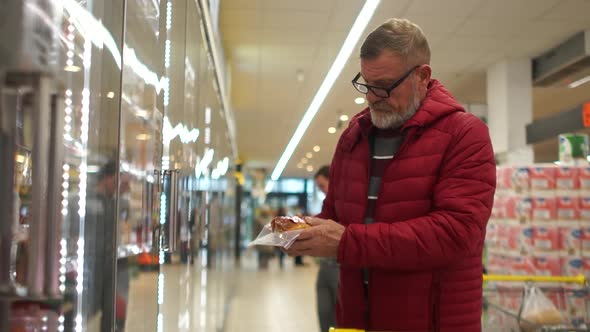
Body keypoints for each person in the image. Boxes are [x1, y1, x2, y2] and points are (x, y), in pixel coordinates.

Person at [285, 18, 496, 332]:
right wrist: (303, 231)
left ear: (423, 76)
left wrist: (348, 242)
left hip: (433, 321)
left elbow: (456, 233)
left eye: (383, 87)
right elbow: (335, 216)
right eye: (366, 85)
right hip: (356, 319)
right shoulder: (354, 137)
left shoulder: (464, 135)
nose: (371, 97)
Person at [314, 165, 338, 332]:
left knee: (340, 319)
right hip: (325, 267)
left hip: (341, 269)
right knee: (324, 314)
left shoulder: (346, 205)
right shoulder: (327, 206)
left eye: (322, 186)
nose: (322, 191)